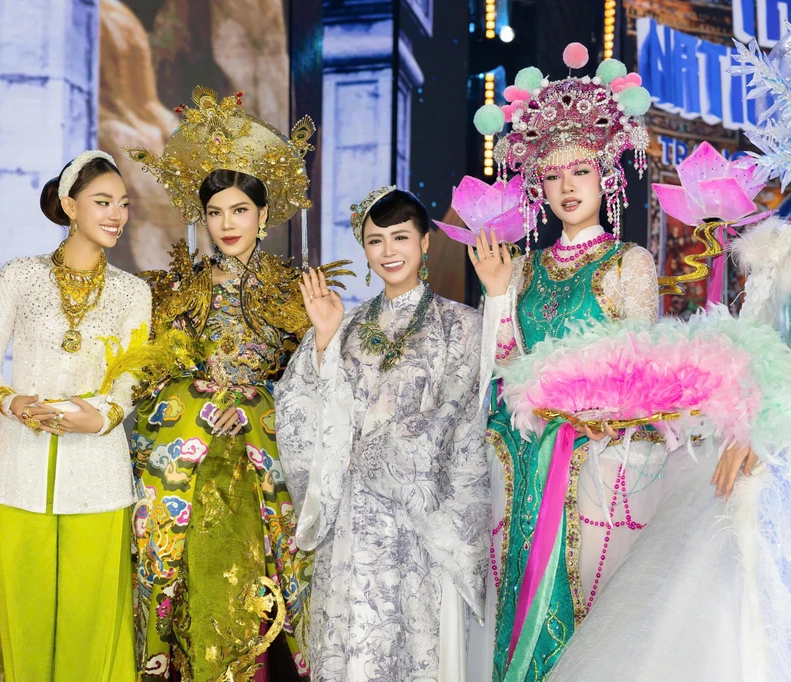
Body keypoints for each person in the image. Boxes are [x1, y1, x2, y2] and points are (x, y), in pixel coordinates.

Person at [122, 86, 350, 681]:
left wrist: (253, 406)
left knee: (251, 597)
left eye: (240, 210)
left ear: (263, 215)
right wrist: (197, 402)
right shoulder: (180, 290)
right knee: (193, 593)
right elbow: (152, 379)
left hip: (261, 472)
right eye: (215, 212)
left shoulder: (296, 293)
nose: (227, 224)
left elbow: (318, 387)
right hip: (190, 470)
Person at [465, 45, 666, 681]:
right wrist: (499, 297)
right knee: (513, 604)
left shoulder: (629, 263)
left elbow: (642, 371)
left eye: (581, 171)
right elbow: (504, 370)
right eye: (553, 177)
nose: (568, 187)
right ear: (538, 187)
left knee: (596, 620)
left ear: (607, 176)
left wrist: (587, 414)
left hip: (595, 465)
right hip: (522, 463)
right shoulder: (522, 268)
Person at [274, 187, 490, 682]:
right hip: (354, 517)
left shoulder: (461, 325)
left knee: (417, 638)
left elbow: (462, 414)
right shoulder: (344, 325)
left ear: (425, 242)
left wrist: (388, 456)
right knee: (358, 642)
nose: (389, 251)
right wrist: (324, 343)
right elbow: (302, 408)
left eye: (401, 237)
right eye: (376, 240)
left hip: (423, 516)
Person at [0, 150, 151, 681]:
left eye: (123, 204)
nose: (116, 214)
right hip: (18, 465)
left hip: (99, 468)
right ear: (69, 205)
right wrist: (10, 400)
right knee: (26, 613)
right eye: (103, 201)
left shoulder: (133, 292)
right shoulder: (20, 276)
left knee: (91, 614)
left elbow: (132, 377)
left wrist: (103, 417)